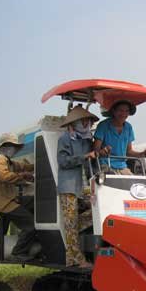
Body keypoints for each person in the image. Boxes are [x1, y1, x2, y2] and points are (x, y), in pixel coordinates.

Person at [57, 106, 98, 268]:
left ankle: (69, 231)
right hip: (68, 186)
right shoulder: (65, 138)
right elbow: (63, 162)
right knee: (71, 221)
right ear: (76, 122)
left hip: (84, 186)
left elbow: (91, 163)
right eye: (84, 120)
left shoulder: (87, 140)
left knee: (96, 212)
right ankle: (75, 258)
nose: (87, 123)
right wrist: (84, 156)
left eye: (88, 121)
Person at [0, 133, 35, 259]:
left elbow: (25, 166)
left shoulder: (10, 162)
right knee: (31, 226)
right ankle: (18, 252)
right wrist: (22, 176)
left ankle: (34, 239)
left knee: (35, 202)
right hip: (1, 202)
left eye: (15, 147)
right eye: (12, 146)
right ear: (4, 147)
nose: (15, 149)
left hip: (9, 199)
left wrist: (41, 161)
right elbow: (4, 176)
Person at [92, 100, 146, 174]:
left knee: (133, 183)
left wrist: (143, 154)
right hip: (105, 165)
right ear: (113, 111)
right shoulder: (103, 126)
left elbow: (129, 152)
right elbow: (95, 152)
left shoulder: (128, 127)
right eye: (120, 110)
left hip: (122, 167)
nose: (124, 114)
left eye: (126, 111)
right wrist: (104, 151)